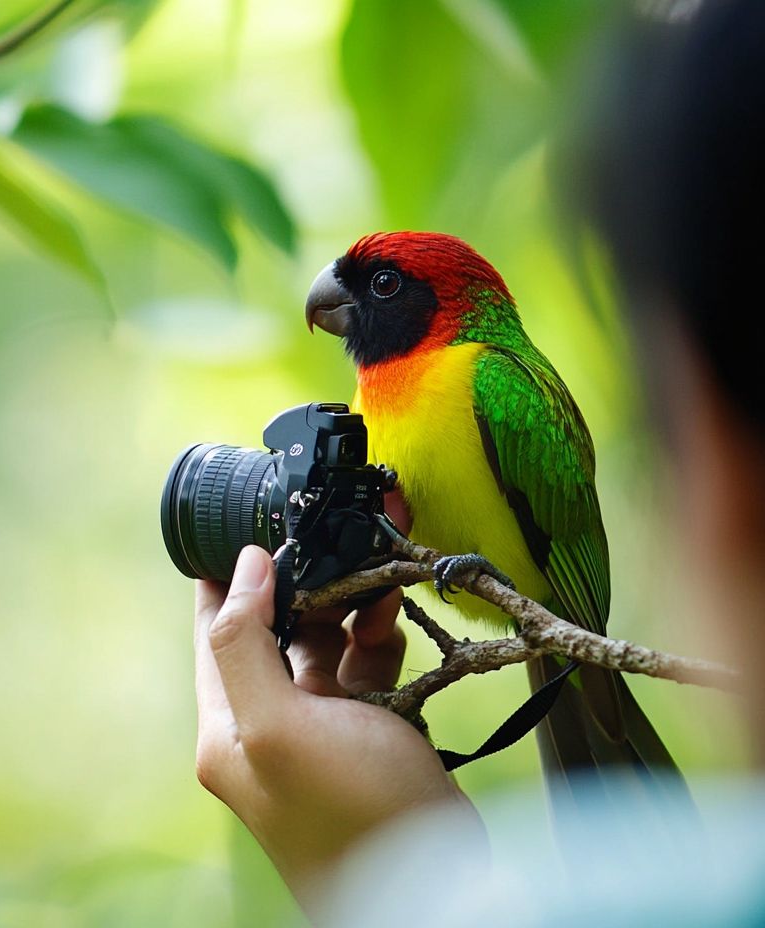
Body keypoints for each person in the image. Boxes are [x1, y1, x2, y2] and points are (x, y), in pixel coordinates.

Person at [193, 0, 765, 923]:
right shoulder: (383, 397)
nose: (337, 299)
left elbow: (552, 547)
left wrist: (384, 878)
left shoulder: (489, 375)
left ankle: (614, 758)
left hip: (545, 594)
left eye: (378, 285)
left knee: (596, 762)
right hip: (471, 598)